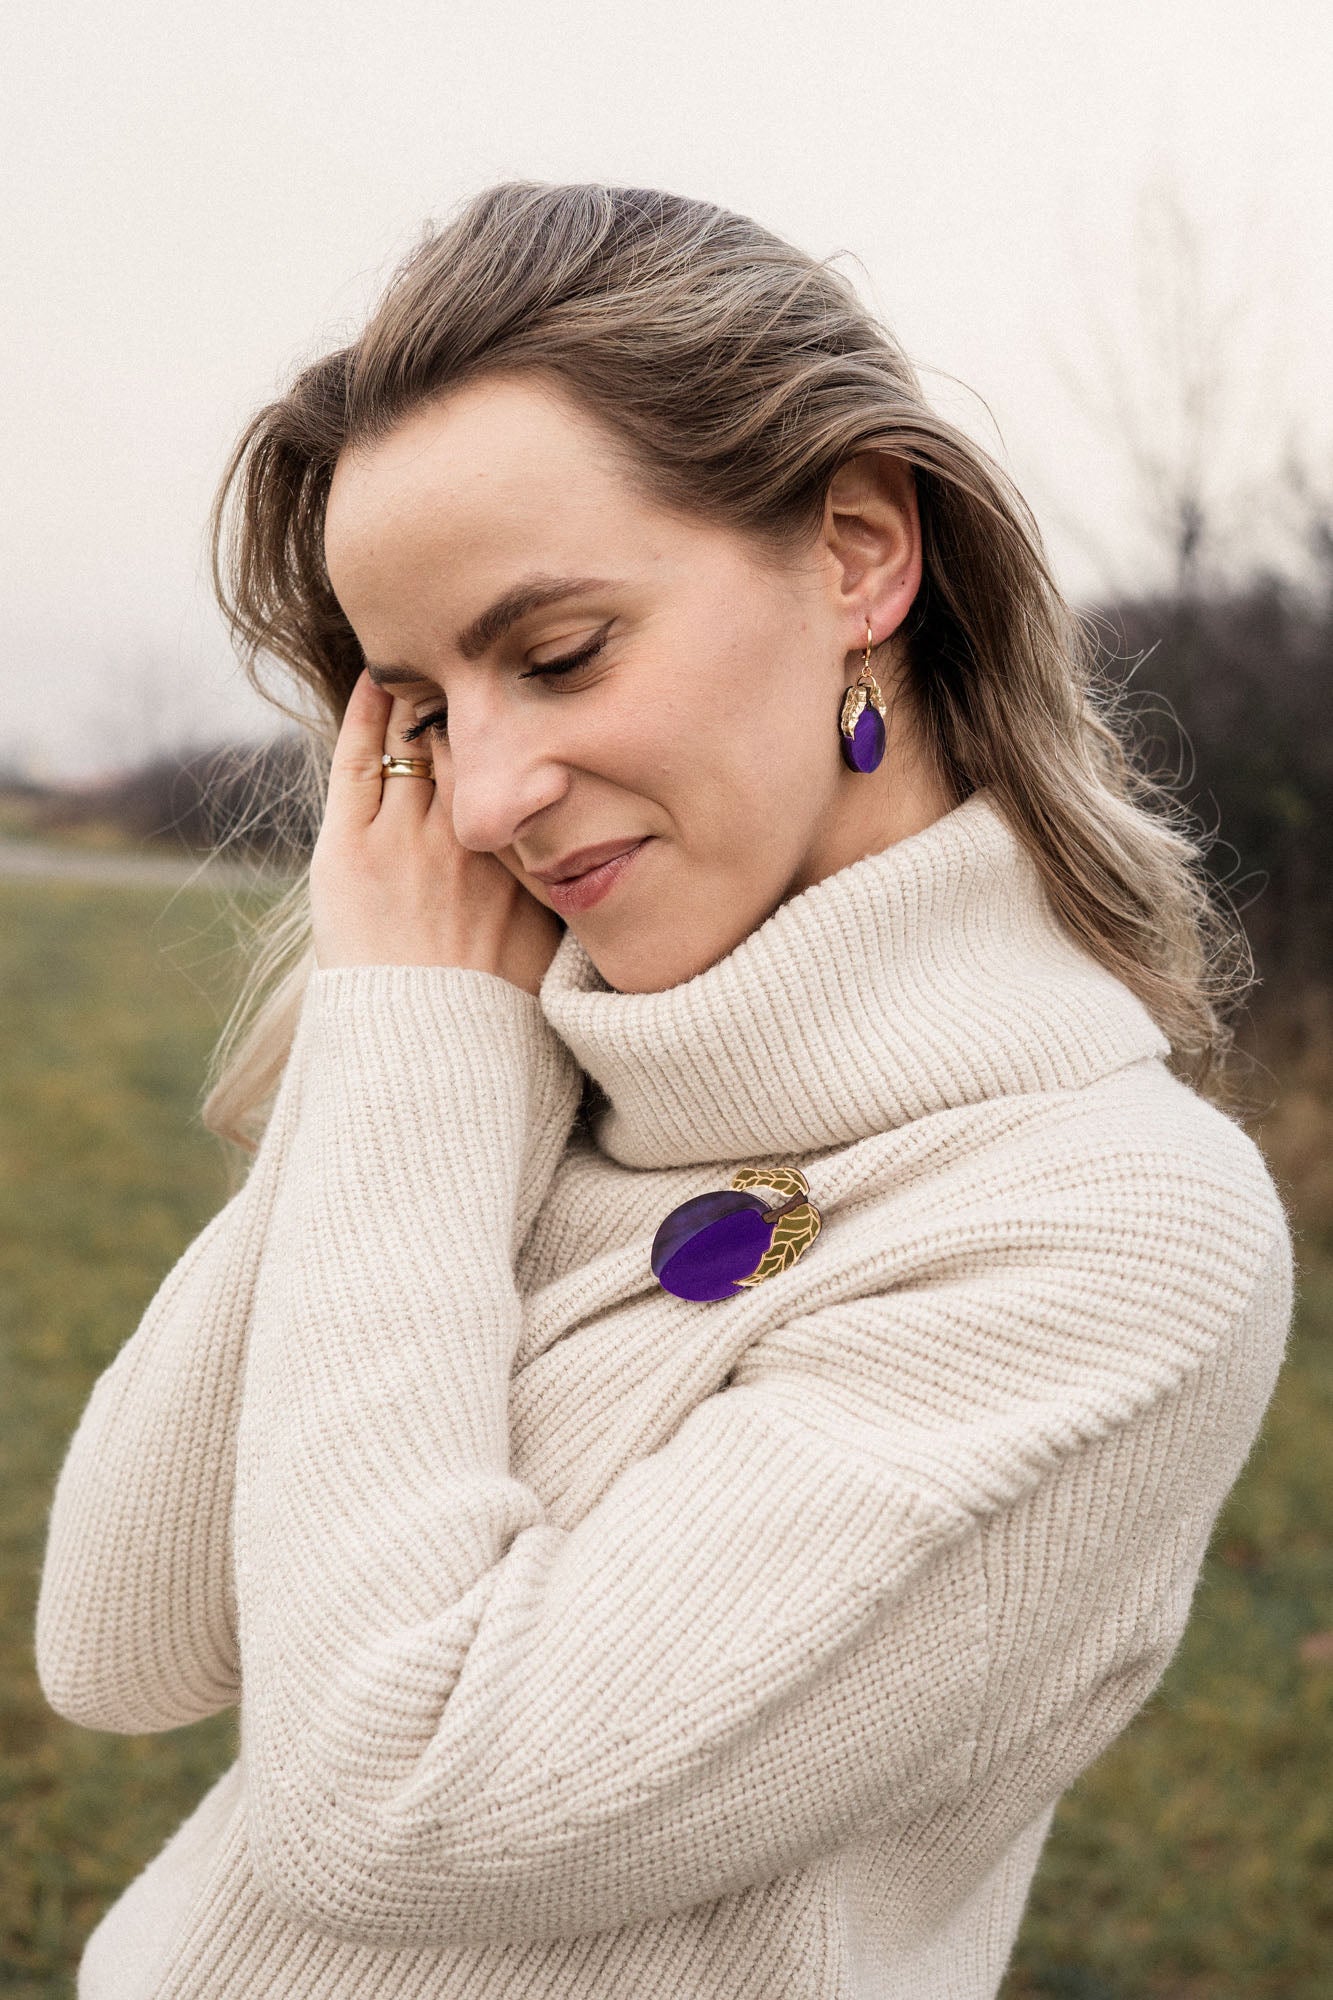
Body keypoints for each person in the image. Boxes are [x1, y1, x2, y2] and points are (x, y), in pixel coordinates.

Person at [36, 180, 1293, 2000]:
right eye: (427, 711)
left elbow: (392, 1802)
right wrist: (416, 1044)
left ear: (859, 553)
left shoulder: (1108, 1229)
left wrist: (419, 1058)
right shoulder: (503, 1051)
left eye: (555, 656)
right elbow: (120, 1639)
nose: (482, 800)